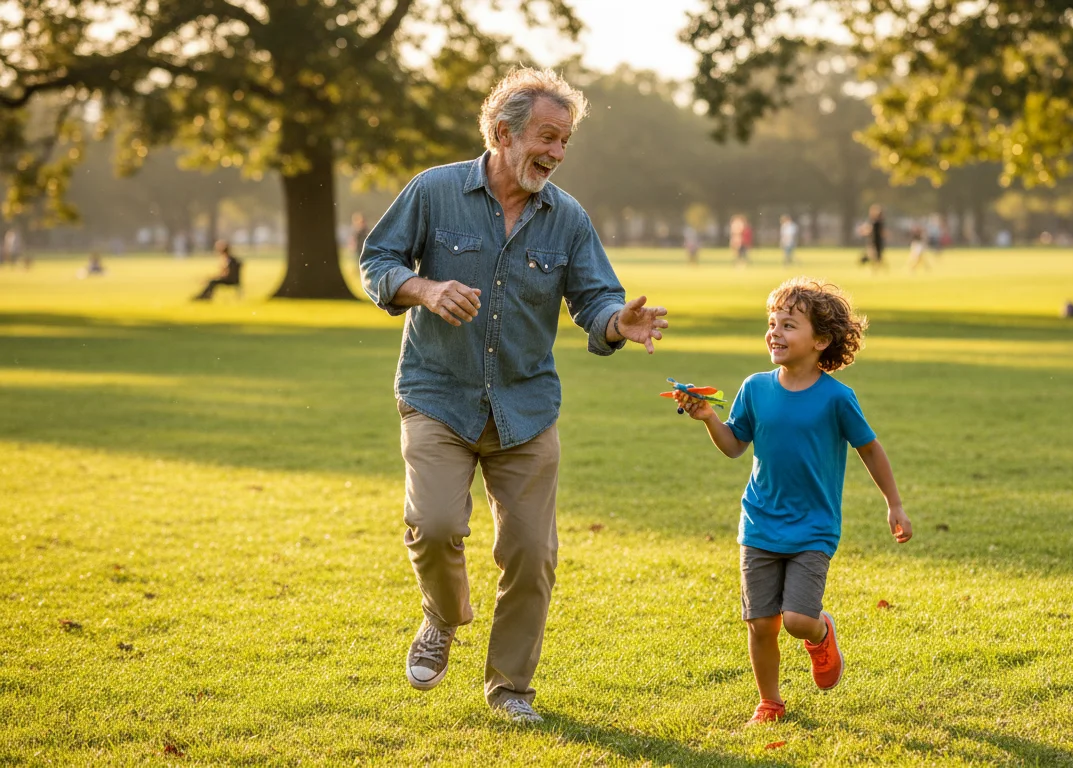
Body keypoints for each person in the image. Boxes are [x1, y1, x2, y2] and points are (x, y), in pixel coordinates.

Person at [358, 67, 669, 725]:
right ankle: (442, 614)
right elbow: (378, 261)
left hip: (525, 409)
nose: (556, 154)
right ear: (503, 132)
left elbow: (595, 298)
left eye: (565, 143)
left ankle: (510, 689)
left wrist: (617, 321)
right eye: (547, 137)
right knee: (436, 524)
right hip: (436, 394)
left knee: (531, 556)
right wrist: (425, 290)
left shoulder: (568, 217)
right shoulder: (434, 191)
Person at [672, 277, 913, 726]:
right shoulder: (755, 388)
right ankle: (770, 701)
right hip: (760, 523)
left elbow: (870, 449)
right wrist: (707, 417)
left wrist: (894, 503)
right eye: (771, 322)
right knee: (761, 624)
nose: (774, 332)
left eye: (788, 325)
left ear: (820, 340)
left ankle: (821, 635)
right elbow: (733, 445)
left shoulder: (837, 398)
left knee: (798, 619)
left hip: (813, 528)